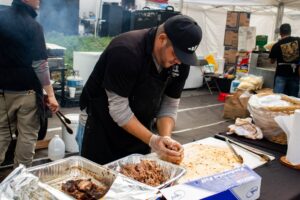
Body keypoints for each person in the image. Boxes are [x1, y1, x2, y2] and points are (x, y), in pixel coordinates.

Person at [80, 15, 202, 165]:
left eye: (184, 57)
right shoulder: (126, 51)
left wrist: (165, 139)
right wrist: (153, 140)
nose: (179, 61)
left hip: (140, 132)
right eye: (176, 54)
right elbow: (118, 109)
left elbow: (169, 105)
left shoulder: (181, 62)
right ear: (162, 39)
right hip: (103, 133)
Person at [0, 0, 59, 168]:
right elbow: (40, 64)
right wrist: (51, 95)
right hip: (27, 92)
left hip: (2, 91)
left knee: (1, 132)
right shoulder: (33, 26)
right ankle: (19, 178)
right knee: (27, 136)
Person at [269, 23, 300, 97]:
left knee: (277, 98)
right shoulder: (298, 41)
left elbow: (271, 61)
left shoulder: (276, 45)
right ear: (290, 31)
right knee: (293, 99)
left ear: (280, 33)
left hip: (281, 75)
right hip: (295, 74)